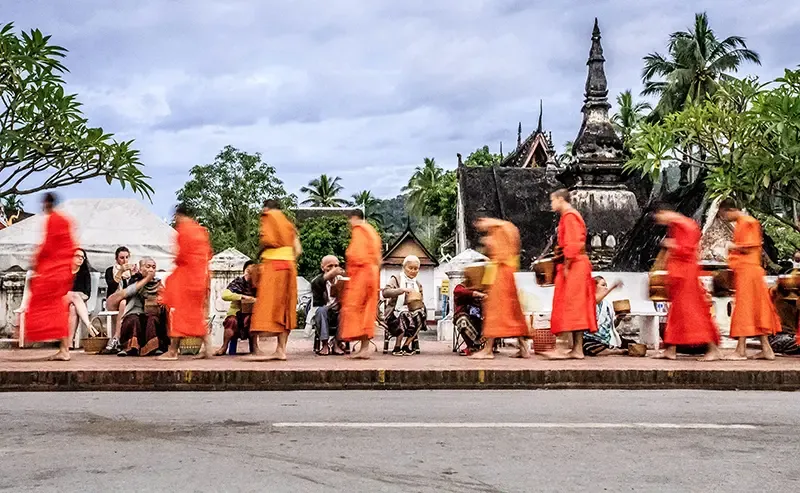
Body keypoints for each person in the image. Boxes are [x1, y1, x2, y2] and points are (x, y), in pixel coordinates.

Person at [652, 203, 721, 361]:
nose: (660, 221)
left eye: (659, 217)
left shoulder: (686, 225)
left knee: (693, 313)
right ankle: (671, 349)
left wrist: (671, 245)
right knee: (677, 314)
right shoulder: (676, 225)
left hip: (686, 277)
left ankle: (712, 348)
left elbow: (688, 249)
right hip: (679, 275)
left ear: (664, 212)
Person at [718, 198, 781, 360]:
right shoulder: (743, 222)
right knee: (755, 309)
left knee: (744, 308)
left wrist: (731, 247)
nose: (724, 218)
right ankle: (767, 349)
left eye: (723, 215)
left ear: (730, 210)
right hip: (748, 271)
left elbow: (750, 246)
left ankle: (740, 350)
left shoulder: (747, 222)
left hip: (748, 271)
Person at [23, 193, 77, 360]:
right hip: (61, 269)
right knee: (57, 308)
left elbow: (48, 245)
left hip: (55, 271)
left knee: (46, 305)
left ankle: (64, 350)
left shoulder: (54, 220)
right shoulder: (64, 220)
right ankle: (64, 348)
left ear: (46, 203)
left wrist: (36, 262)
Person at [247, 199, 301, 361]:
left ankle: (274, 350)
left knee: (268, 308)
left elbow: (266, 240)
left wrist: (260, 255)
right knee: (285, 310)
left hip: (275, 267)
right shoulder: (288, 224)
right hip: (289, 267)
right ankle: (281, 349)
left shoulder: (269, 216)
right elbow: (298, 249)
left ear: (267, 208)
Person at [546, 188, 597, 360]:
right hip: (574, 264)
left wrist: (567, 264)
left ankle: (577, 349)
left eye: (553, 200)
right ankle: (576, 348)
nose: (551, 204)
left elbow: (573, 244)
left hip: (575, 265)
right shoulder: (568, 216)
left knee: (574, 307)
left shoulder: (570, 216)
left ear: (561, 199)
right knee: (574, 307)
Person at [469, 217, 530, 360]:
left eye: (481, 225)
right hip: (507, 273)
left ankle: (488, 349)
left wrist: (488, 244)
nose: (481, 229)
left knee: (494, 312)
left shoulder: (502, 229)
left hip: (501, 274)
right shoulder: (507, 228)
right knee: (513, 312)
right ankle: (524, 348)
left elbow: (501, 254)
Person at [158, 204, 213, 361]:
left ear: (179, 215)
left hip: (186, 278)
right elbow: (208, 254)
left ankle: (173, 351)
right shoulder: (201, 231)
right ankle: (207, 345)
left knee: (177, 313)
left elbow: (182, 256)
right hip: (200, 277)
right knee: (194, 314)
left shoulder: (184, 230)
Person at [338, 209, 382, 359]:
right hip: (371, 273)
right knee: (366, 310)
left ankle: (364, 349)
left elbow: (355, 255)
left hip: (363, 274)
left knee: (356, 308)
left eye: (350, 221)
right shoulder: (371, 231)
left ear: (355, 218)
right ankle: (364, 348)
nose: (350, 224)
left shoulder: (360, 230)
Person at [108, 258, 168, 357]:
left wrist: (162, 300)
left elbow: (167, 298)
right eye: (148, 266)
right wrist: (146, 279)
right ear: (140, 269)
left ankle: (154, 347)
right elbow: (130, 291)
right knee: (133, 319)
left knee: (152, 320)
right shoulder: (134, 281)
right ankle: (129, 347)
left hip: (151, 313)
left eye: (153, 267)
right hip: (135, 312)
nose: (151, 270)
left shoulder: (158, 283)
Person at [382, 255, 427, 356]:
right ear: (404, 267)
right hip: (394, 313)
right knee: (404, 314)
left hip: (412, 313)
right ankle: (397, 347)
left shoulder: (417, 284)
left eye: (416, 269)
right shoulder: (396, 279)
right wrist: (401, 290)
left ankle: (406, 346)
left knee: (421, 314)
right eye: (410, 268)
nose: (413, 271)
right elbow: (385, 292)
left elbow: (420, 300)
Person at [583, 277, 634, 356]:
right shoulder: (587, 301)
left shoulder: (606, 305)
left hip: (607, 339)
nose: (606, 287)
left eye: (606, 285)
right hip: (592, 338)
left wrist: (619, 319)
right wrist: (613, 287)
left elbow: (611, 326)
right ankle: (615, 351)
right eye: (603, 285)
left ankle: (611, 349)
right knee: (589, 347)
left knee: (632, 344)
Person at [215, 260, 258, 356]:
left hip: (251, 314)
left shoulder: (258, 284)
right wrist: (242, 297)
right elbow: (225, 295)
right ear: (246, 271)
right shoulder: (238, 282)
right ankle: (224, 347)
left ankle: (255, 347)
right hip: (236, 313)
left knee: (254, 321)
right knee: (231, 321)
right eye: (249, 271)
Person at [309, 255, 346, 355]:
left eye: (336, 266)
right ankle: (325, 345)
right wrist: (329, 275)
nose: (333, 269)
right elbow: (317, 303)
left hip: (337, 312)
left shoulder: (342, 279)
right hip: (323, 313)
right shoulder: (317, 281)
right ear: (322, 268)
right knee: (322, 311)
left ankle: (336, 343)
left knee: (346, 312)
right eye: (329, 266)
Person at [103, 246, 136, 354]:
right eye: (122, 258)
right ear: (116, 258)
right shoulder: (110, 270)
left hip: (125, 303)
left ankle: (117, 337)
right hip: (112, 300)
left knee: (123, 302)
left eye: (127, 257)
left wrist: (133, 275)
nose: (124, 260)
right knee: (122, 299)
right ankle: (118, 337)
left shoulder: (131, 271)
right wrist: (120, 272)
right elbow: (112, 286)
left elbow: (133, 289)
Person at [67, 247, 99, 341]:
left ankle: (69, 342)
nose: (81, 258)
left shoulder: (84, 273)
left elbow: (87, 294)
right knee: (74, 295)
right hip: (61, 300)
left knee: (73, 308)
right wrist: (75, 294)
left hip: (77, 303)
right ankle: (88, 324)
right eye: (78, 256)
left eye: (83, 257)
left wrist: (77, 296)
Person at [453, 282, 486, 355]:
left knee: (494, 319)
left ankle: (489, 347)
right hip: (465, 315)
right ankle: (471, 346)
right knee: (462, 320)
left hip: (481, 316)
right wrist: (477, 293)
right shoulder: (461, 287)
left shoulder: (485, 287)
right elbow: (458, 292)